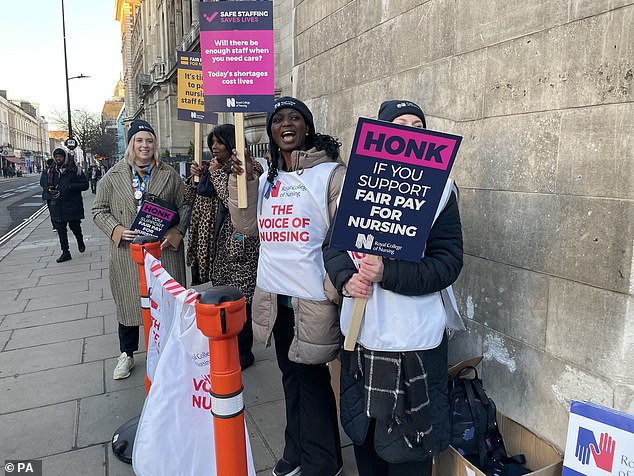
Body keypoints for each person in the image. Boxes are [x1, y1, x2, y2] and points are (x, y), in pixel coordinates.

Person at [322, 100, 464, 476]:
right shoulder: (357, 184)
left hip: (413, 345)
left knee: (408, 457)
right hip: (362, 338)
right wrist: (345, 278)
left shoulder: (442, 191)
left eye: (417, 124)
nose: (410, 129)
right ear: (382, 136)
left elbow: (448, 263)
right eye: (400, 124)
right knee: (365, 445)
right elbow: (333, 246)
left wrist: (388, 270)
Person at [229, 97, 345, 476]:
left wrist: (333, 288)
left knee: (312, 381)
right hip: (274, 297)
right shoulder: (266, 179)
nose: (287, 124)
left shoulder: (330, 174)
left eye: (295, 117)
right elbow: (247, 227)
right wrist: (242, 181)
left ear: (307, 127)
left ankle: (324, 462)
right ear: (272, 133)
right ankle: (296, 449)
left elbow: (344, 237)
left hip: (311, 299)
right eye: (278, 119)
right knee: (290, 376)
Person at [92, 119, 191, 380]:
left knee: (167, 304)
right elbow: (98, 210)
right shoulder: (112, 176)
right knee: (128, 305)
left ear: (155, 144)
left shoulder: (169, 174)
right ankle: (126, 354)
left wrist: (176, 233)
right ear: (131, 144)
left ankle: (170, 353)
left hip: (164, 252)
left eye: (149, 140)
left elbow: (185, 206)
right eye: (139, 140)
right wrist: (116, 230)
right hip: (128, 254)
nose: (144, 145)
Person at [184, 124, 262, 370]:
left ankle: (243, 351)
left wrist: (216, 175)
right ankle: (228, 343)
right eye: (212, 143)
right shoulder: (213, 169)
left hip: (240, 241)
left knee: (241, 298)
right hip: (219, 242)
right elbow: (191, 198)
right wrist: (196, 176)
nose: (214, 148)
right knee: (222, 294)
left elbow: (234, 203)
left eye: (219, 142)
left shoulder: (250, 169)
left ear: (232, 142)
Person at [40, 148, 89, 263]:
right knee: (61, 230)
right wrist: (49, 189)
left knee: (75, 227)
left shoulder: (74, 169)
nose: (58, 159)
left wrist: (71, 186)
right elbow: (44, 184)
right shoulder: (50, 171)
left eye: (60, 157)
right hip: (57, 205)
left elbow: (85, 185)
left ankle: (80, 241)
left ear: (64, 157)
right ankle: (65, 252)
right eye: (56, 157)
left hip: (72, 204)